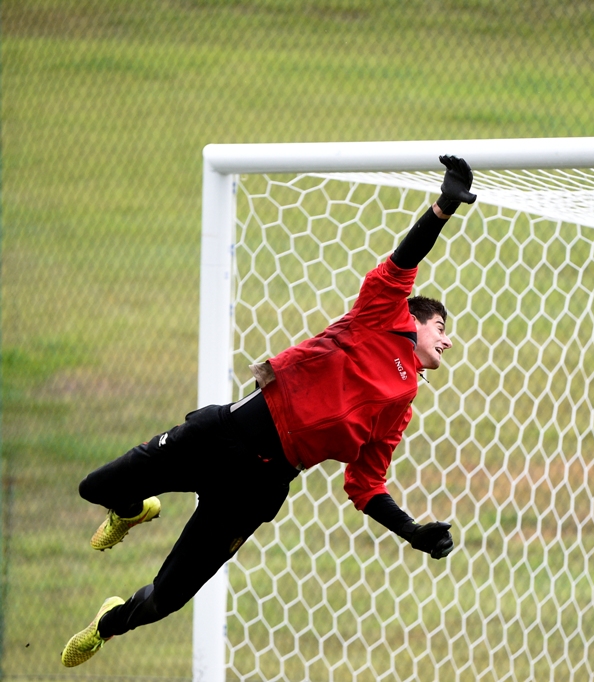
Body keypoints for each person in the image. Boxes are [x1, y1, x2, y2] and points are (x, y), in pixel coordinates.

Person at [61, 155, 478, 667]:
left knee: (166, 599)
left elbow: (366, 486)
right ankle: (131, 510)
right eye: (441, 327)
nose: (448, 341)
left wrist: (412, 531)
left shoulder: (400, 408)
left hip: (258, 488)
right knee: (94, 488)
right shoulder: (377, 315)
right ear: (412, 319)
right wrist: (443, 207)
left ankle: (106, 625)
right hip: (222, 436)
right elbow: (404, 260)